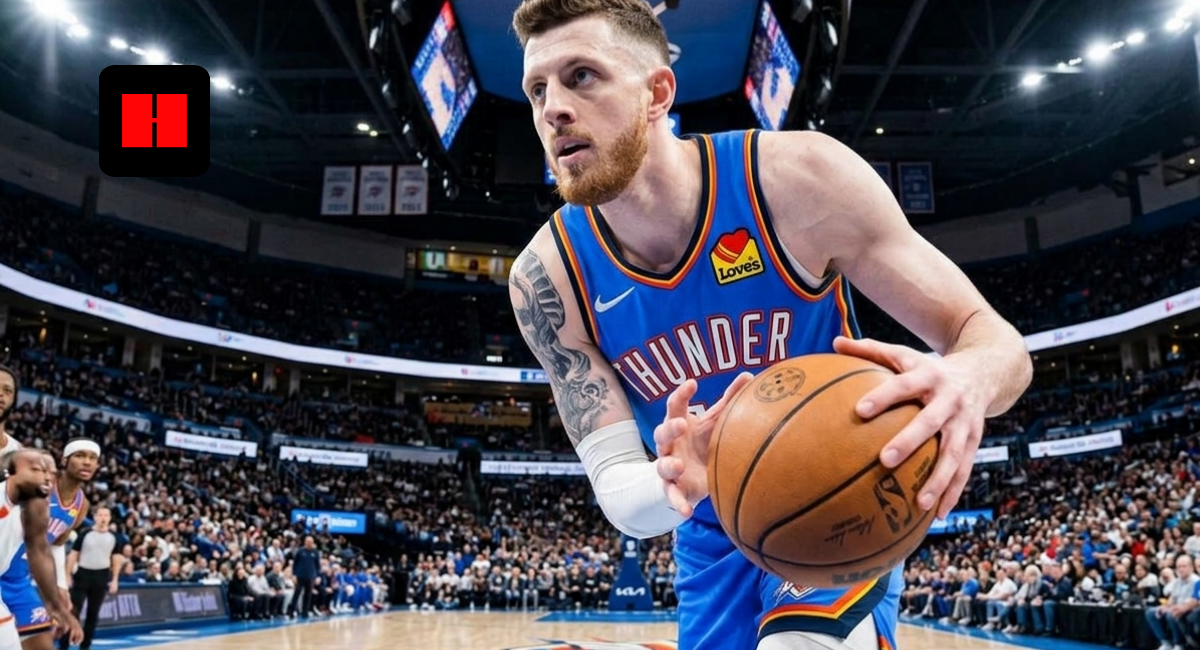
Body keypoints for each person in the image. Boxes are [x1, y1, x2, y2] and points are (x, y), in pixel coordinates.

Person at [506, 1, 1032, 648]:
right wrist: (679, 471)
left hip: (840, 483)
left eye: (580, 75)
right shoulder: (546, 281)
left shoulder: (796, 180)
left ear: (656, 92)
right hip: (707, 526)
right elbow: (620, 495)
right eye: (537, 89)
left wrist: (965, 378)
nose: (552, 107)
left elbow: (993, 338)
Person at [5, 439, 99, 650]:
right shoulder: (38, 482)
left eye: (93, 459)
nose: (87, 463)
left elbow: (55, 544)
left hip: (20, 581)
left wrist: (61, 585)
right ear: (65, 460)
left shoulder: (81, 504)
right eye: (80, 456)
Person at [62, 505, 120, 650]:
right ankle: (63, 645)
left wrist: (115, 580)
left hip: (101, 576)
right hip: (83, 574)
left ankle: (85, 646)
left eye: (106, 515)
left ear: (110, 518)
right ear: (95, 517)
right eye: (100, 515)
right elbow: (73, 555)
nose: (103, 518)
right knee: (73, 612)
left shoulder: (114, 537)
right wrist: (67, 575)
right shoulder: (85, 533)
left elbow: (116, 559)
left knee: (92, 614)